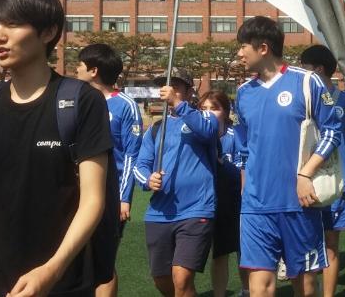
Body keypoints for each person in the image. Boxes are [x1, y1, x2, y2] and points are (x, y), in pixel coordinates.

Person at [0, 0, 114, 297]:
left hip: (60, 284)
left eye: (12, 24)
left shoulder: (80, 101)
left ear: (48, 32)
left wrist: (52, 270)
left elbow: (92, 200)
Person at [233, 17, 342, 297]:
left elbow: (332, 132)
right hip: (256, 207)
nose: (239, 53)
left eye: (243, 46)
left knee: (304, 286)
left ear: (263, 48)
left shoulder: (307, 82)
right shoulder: (243, 93)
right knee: (259, 287)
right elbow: (243, 148)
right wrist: (246, 189)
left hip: (299, 202)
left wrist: (305, 174)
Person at [134, 68, 218, 297]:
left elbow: (208, 132)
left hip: (196, 210)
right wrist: (148, 179)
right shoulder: (155, 129)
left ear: (190, 92)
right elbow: (140, 166)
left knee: (181, 278)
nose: (169, 90)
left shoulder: (205, 118)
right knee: (161, 279)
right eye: (165, 85)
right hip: (159, 213)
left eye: (176, 86)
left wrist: (179, 104)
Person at [74, 43, 143, 297]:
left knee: (103, 260)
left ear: (94, 71)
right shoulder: (76, 101)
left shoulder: (125, 105)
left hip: (108, 193)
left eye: (80, 64)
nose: (76, 68)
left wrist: (124, 197)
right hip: (76, 191)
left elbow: (131, 155)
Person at [299, 45, 345, 297]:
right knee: (304, 244)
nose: (301, 73)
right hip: (302, 183)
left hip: (336, 185)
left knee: (331, 245)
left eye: (305, 68)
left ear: (318, 70)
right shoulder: (300, 98)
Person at [199, 90, 249, 297]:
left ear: (226, 112)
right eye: (203, 109)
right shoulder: (198, 136)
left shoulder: (235, 134)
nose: (208, 113)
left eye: (214, 108)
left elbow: (243, 169)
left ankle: (247, 290)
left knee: (243, 250)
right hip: (211, 201)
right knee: (219, 253)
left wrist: (222, 163)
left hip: (237, 201)